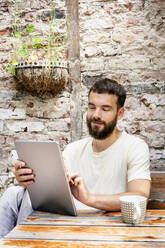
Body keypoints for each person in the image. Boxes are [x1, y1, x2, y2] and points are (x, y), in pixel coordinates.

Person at [0, 78, 151, 238]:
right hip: (63, 220)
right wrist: (27, 179)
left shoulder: (134, 147)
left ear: (120, 113)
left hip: (99, 224)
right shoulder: (73, 149)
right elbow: (50, 192)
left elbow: (139, 196)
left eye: (105, 109)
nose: (96, 115)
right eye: (92, 107)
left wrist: (89, 198)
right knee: (14, 193)